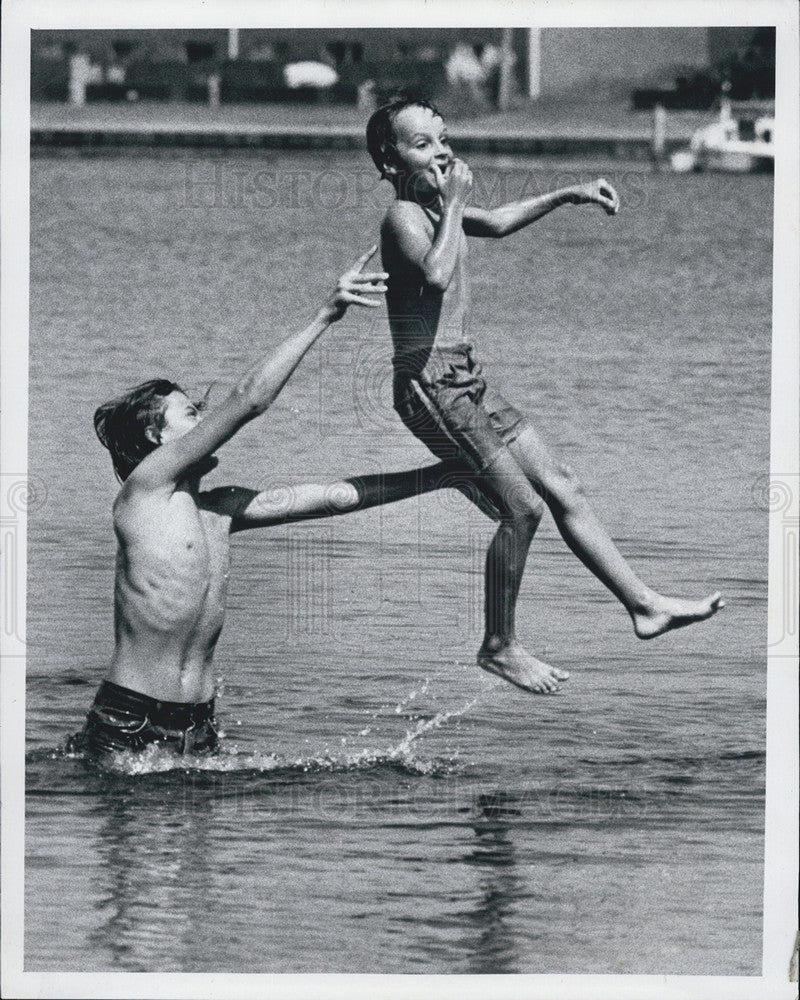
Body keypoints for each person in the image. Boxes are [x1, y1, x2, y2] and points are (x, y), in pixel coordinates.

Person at [365, 97, 724, 695]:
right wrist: (453, 203)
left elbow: (500, 222)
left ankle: (643, 605)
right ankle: (498, 645)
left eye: (445, 139)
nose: (443, 152)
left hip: (466, 379)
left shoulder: (436, 209)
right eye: (423, 144)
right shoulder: (404, 216)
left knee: (562, 484)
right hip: (429, 386)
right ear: (389, 159)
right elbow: (434, 275)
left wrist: (567, 193)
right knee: (522, 508)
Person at [70, 248, 455, 758]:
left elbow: (333, 499)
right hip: (130, 717)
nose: (206, 422)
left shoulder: (220, 510)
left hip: (197, 725)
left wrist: (443, 475)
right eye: (191, 413)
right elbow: (250, 399)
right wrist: (325, 315)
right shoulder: (144, 490)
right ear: (154, 435)